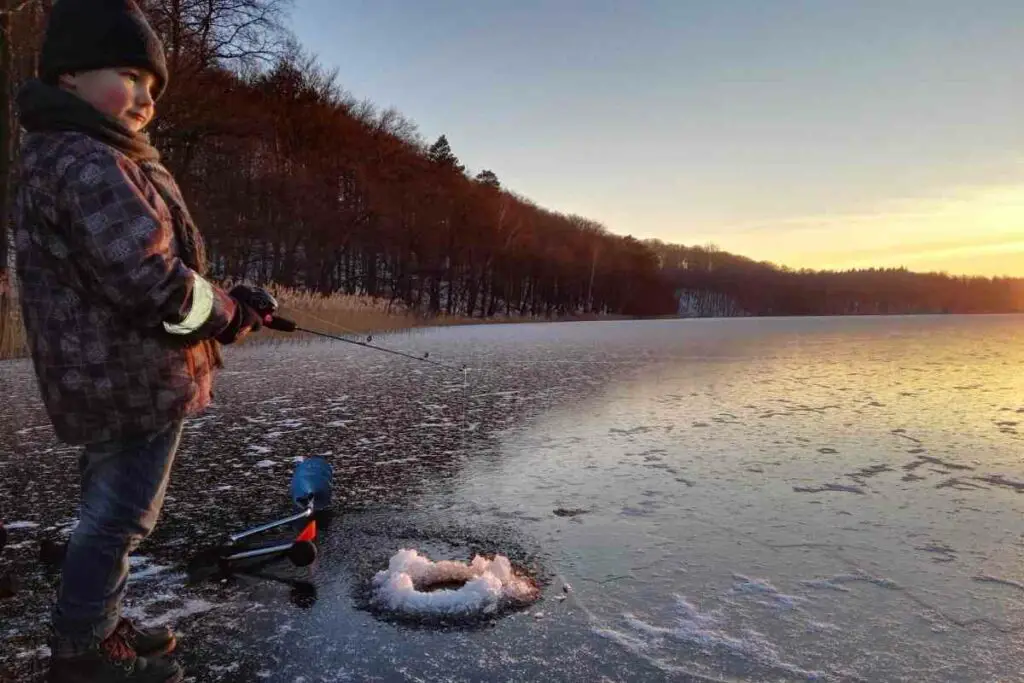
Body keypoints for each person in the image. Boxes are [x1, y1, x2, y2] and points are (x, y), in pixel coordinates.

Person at [13, 1, 269, 681]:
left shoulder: (96, 154)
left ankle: (100, 623)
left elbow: (151, 265)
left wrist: (228, 305)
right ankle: (83, 650)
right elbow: (151, 280)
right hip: (128, 381)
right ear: (68, 75)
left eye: (153, 89)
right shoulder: (84, 161)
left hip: (123, 377)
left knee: (111, 510)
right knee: (119, 517)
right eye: (130, 75)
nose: (145, 99)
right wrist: (229, 311)